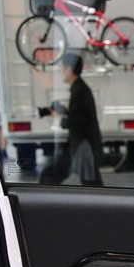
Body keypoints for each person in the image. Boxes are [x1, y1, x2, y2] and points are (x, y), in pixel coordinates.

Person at [40, 53, 103, 185]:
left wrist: (59, 119)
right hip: (82, 143)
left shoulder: (79, 91)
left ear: (69, 69)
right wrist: (64, 112)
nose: (60, 71)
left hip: (83, 144)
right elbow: (79, 115)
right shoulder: (79, 88)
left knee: (90, 182)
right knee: (90, 181)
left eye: (62, 68)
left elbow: (78, 122)